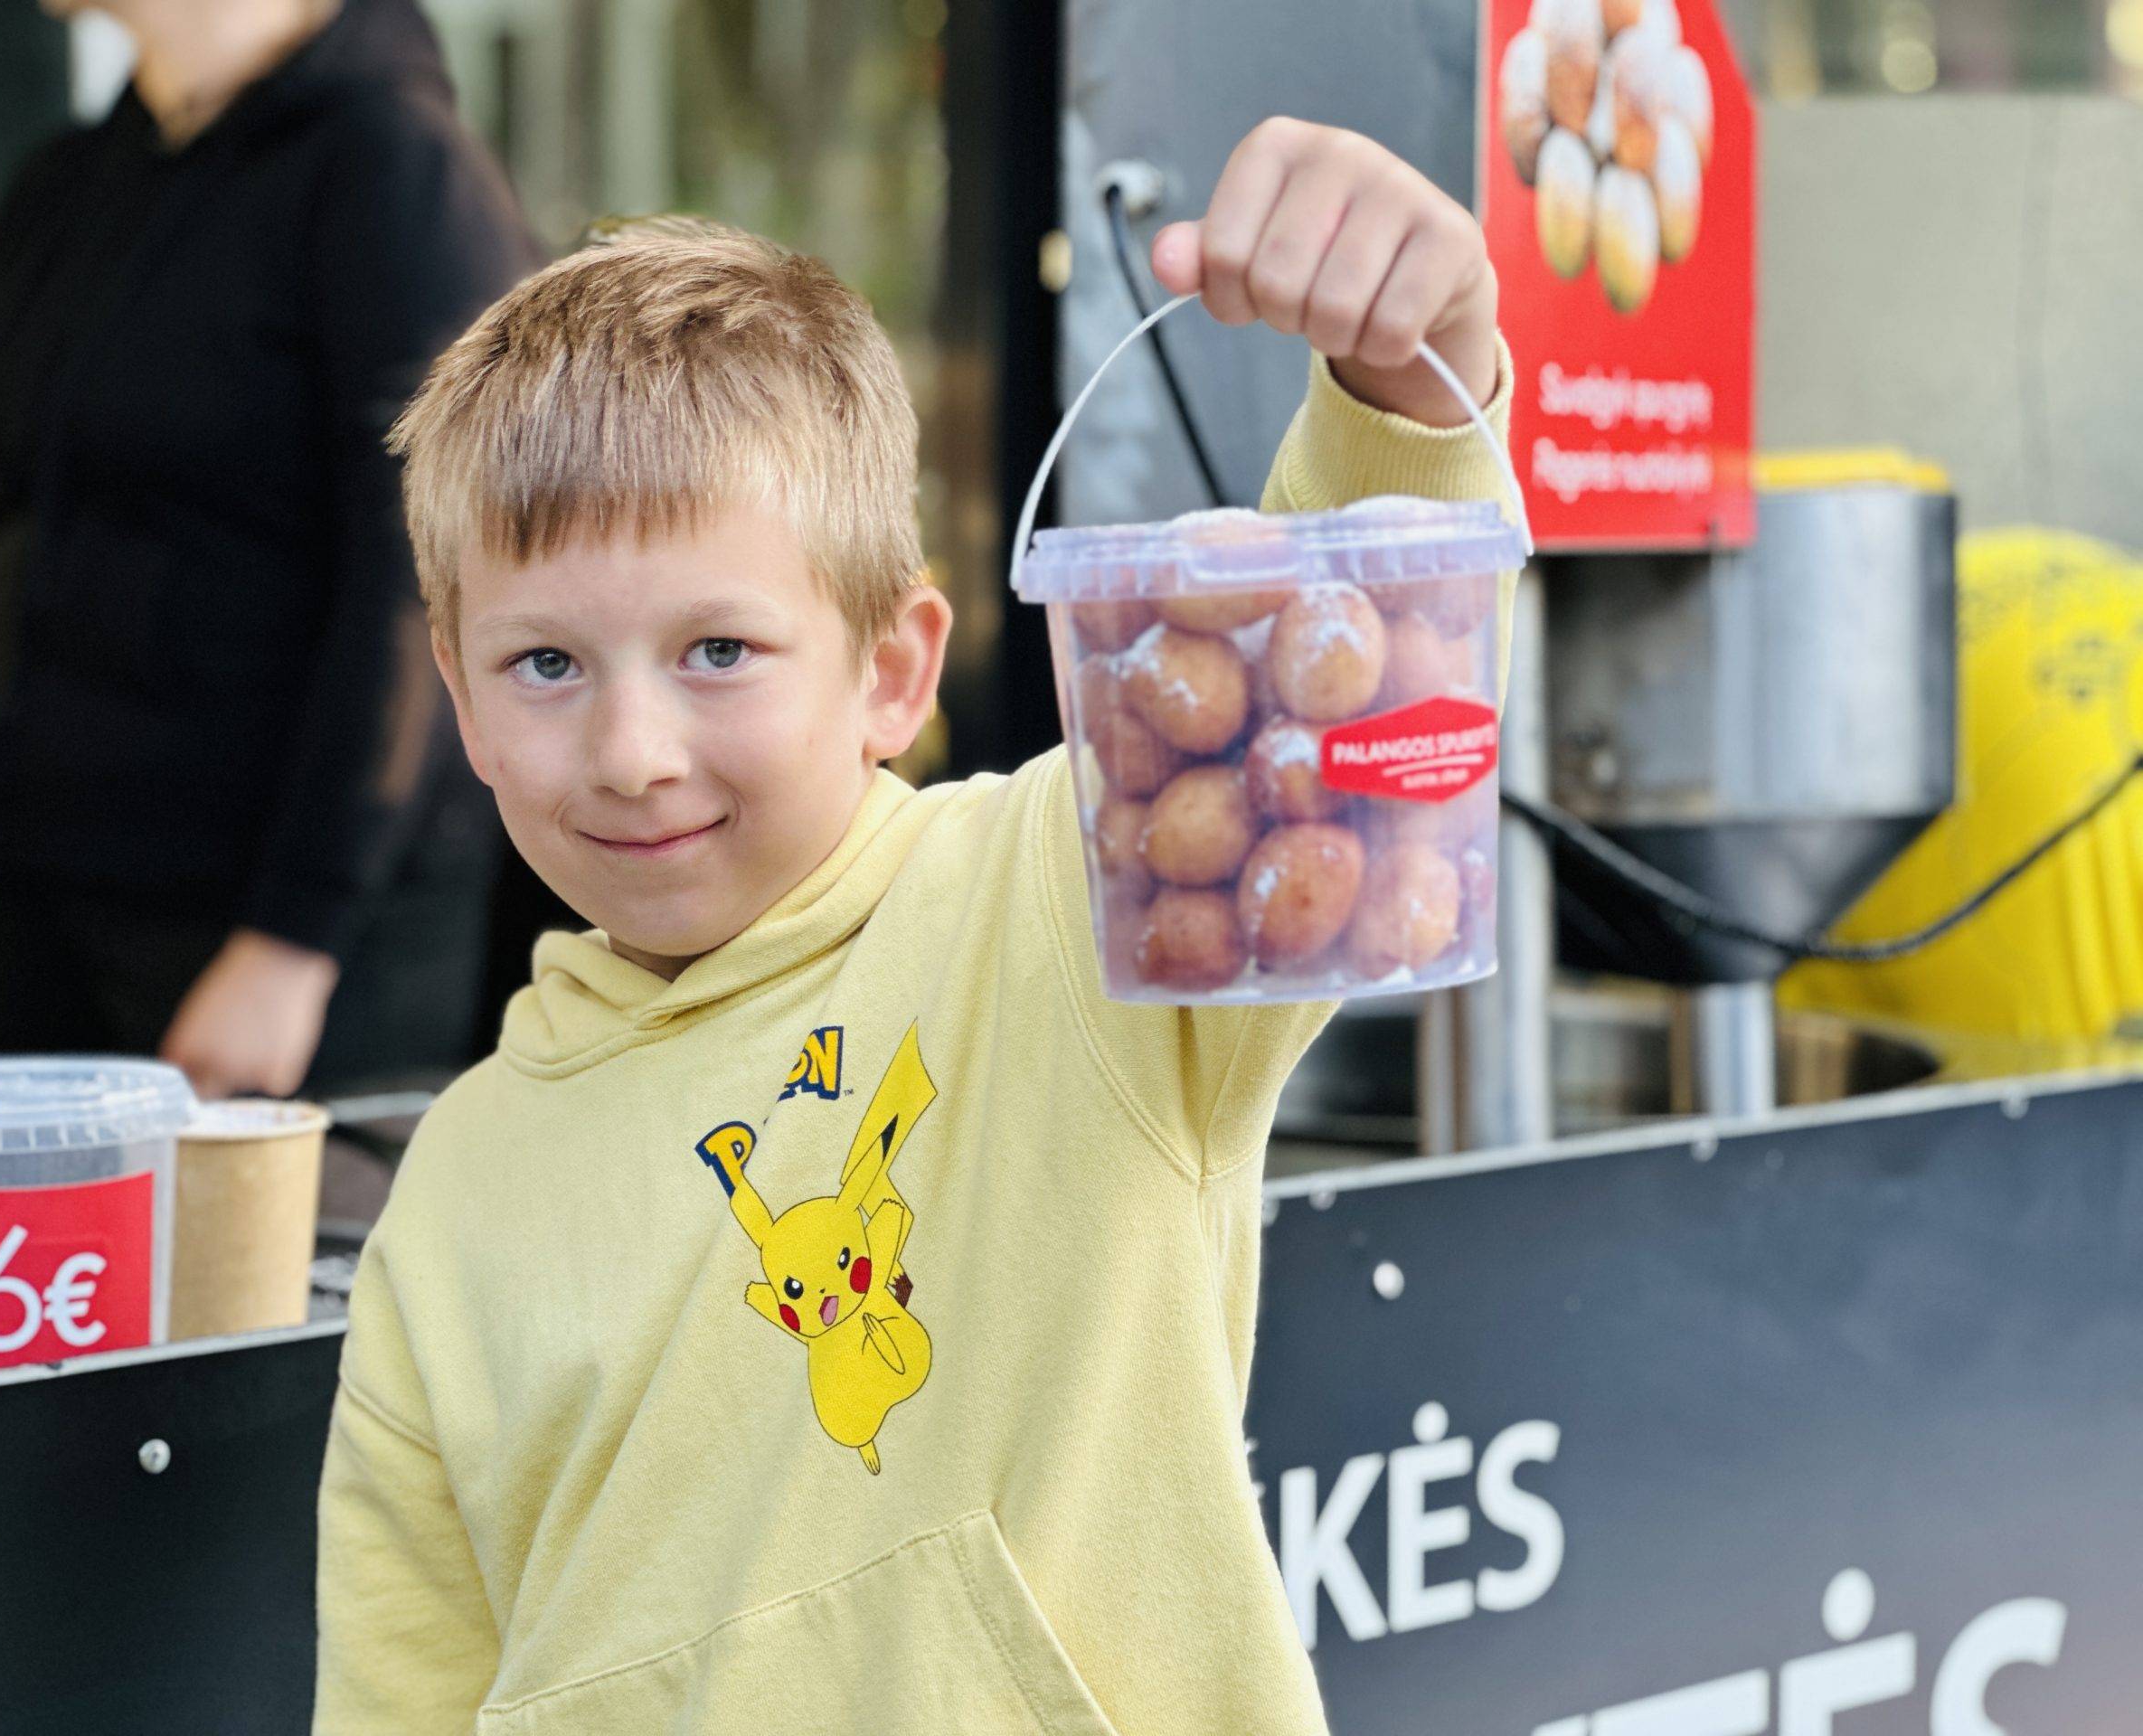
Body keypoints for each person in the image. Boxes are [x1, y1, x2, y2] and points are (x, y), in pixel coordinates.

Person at [316, 118, 1512, 1732]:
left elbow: (1335, 695)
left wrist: (1402, 374)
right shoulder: (446, 1197)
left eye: (720, 649)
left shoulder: (1065, 908)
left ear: (892, 670)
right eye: (547, 666)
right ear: (459, 699)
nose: (632, 751)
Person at [0, 0, 537, 1098]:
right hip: (28, 925)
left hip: (279, 951)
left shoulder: (398, 168)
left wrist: (293, 944)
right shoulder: (70, 183)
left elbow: (423, 584)